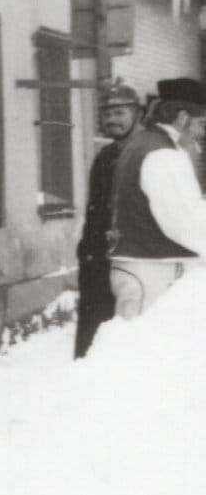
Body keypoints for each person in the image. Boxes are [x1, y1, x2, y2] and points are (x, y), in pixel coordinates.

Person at [105, 77, 206, 320]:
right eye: (201, 123)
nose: (202, 133)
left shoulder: (144, 144)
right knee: (144, 342)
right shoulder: (163, 155)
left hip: (143, 270)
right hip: (153, 276)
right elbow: (184, 223)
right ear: (182, 118)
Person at [74, 80, 143, 358]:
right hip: (98, 261)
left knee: (130, 341)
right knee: (92, 341)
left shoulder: (147, 154)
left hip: (132, 261)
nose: (112, 119)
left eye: (120, 112)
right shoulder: (105, 157)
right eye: (107, 113)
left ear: (137, 113)